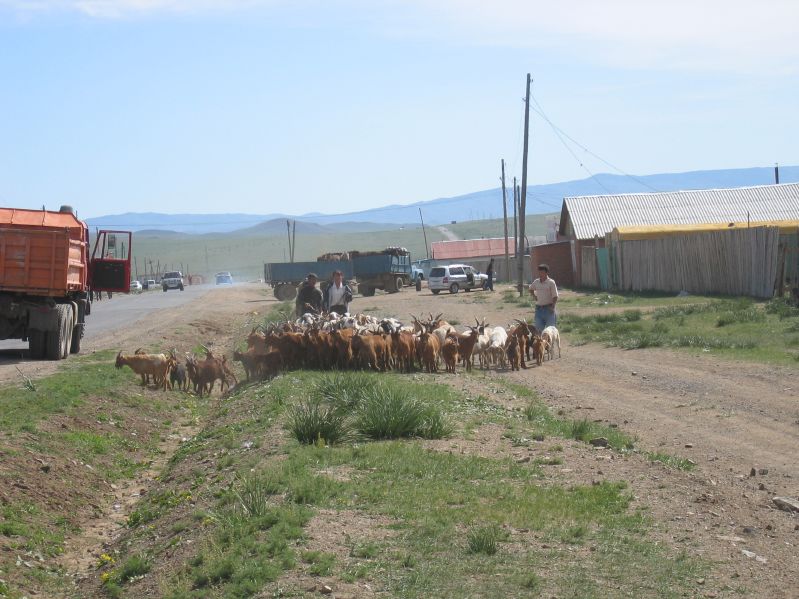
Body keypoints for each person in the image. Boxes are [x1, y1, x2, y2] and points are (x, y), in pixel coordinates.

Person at [528, 263, 558, 331]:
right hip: (539, 310)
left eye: (542, 272)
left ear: (546, 273)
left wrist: (553, 307)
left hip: (549, 310)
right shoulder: (536, 282)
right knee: (538, 331)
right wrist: (534, 296)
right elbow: (530, 289)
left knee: (550, 331)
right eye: (539, 272)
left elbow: (555, 296)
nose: (540, 274)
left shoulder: (551, 282)